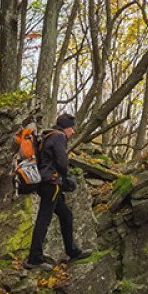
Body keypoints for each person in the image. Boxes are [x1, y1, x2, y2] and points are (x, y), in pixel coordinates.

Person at [26, 112, 92, 268]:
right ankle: (34, 258)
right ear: (66, 128)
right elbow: (62, 161)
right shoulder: (59, 137)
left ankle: (73, 251)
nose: (73, 131)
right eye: (72, 128)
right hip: (52, 184)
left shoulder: (48, 135)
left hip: (46, 183)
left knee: (66, 215)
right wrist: (68, 179)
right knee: (44, 219)